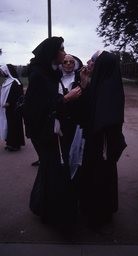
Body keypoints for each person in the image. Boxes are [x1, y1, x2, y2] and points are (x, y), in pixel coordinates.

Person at [23, 36, 82, 230]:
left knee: (51, 171)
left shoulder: (49, 73)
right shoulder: (39, 75)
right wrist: (66, 98)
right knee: (56, 172)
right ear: (52, 53)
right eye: (62, 49)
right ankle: (58, 219)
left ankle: (42, 206)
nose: (65, 53)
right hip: (45, 134)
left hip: (53, 133)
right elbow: (37, 109)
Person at [77, 50, 127, 228]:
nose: (89, 63)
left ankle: (99, 214)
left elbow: (106, 118)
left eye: (93, 60)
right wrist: (84, 84)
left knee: (100, 177)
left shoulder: (108, 87)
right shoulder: (101, 83)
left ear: (101, 65)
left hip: (102, 145)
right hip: (97, 142)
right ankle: (96, 211)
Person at [0, 64, 25, 151]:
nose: (2, 73)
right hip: (7, 108)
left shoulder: (16, 82)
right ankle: (9, 142)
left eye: (3, 71)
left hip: (14, 108)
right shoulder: (7, 81)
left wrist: (9, 102)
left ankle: (16, 144)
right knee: (8, 124)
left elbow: (18, 95)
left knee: (14, 125)